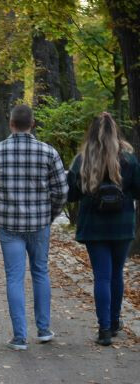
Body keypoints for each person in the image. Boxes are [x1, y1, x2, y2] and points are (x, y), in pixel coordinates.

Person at [0, 104, 68, 351]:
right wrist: (50, 215)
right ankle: (44, 329)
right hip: (39, 224)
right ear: (33, 123)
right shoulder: (49, 153)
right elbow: (61, 190)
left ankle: (19, 337)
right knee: (40, 272)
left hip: (9, 225)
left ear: (11, 124)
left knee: (14, 278)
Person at [66, 112, 140, 346]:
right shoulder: (128, 158)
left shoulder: (83, 158)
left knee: (102, 276)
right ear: (115, 130)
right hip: (122, 224)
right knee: (117, 274)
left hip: (94, 225)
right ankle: (115, 321)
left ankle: (104, 329)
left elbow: (72, 193)